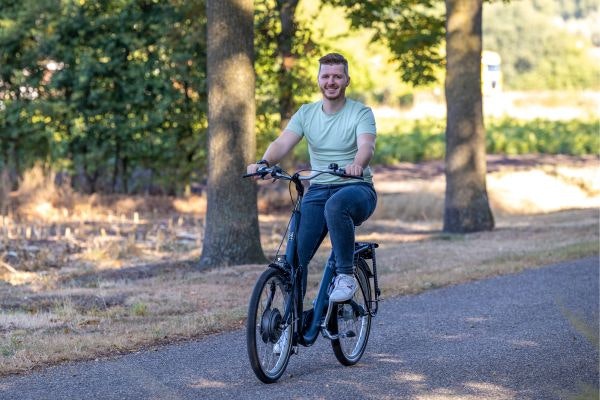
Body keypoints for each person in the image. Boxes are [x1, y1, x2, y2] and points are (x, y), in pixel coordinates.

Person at [247, 52, 377, 304]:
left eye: (337, 76)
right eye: (326, 76)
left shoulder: (361, 113)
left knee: (336, 205)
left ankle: (345, 275)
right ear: (318, 80)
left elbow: (366, 146)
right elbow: (283, 142)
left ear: (347, 80)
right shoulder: (306, 113)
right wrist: (264, 163)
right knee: (294, 258)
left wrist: (357, 165)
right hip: (318, 189)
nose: (331, 81)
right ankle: (291, 324)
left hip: (356, 188)